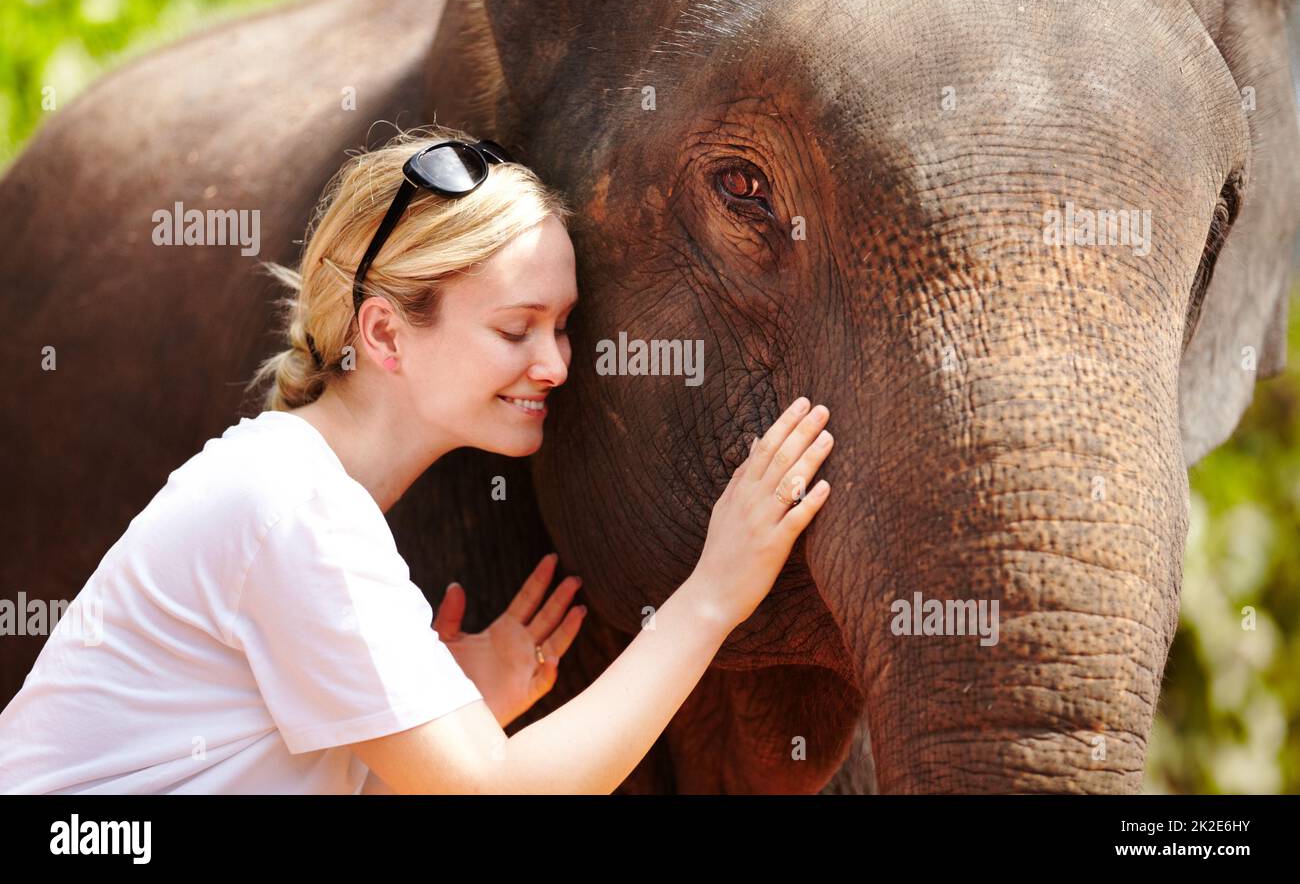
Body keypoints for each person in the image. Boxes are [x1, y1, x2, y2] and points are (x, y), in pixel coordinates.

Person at [0, 125, 834, 794]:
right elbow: (503, 792)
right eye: (515, 329)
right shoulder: (297, 510)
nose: (555, 365)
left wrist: (427, 732)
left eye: (564, 326)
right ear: (386, 334)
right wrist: (715, 593)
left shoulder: (294, 485)